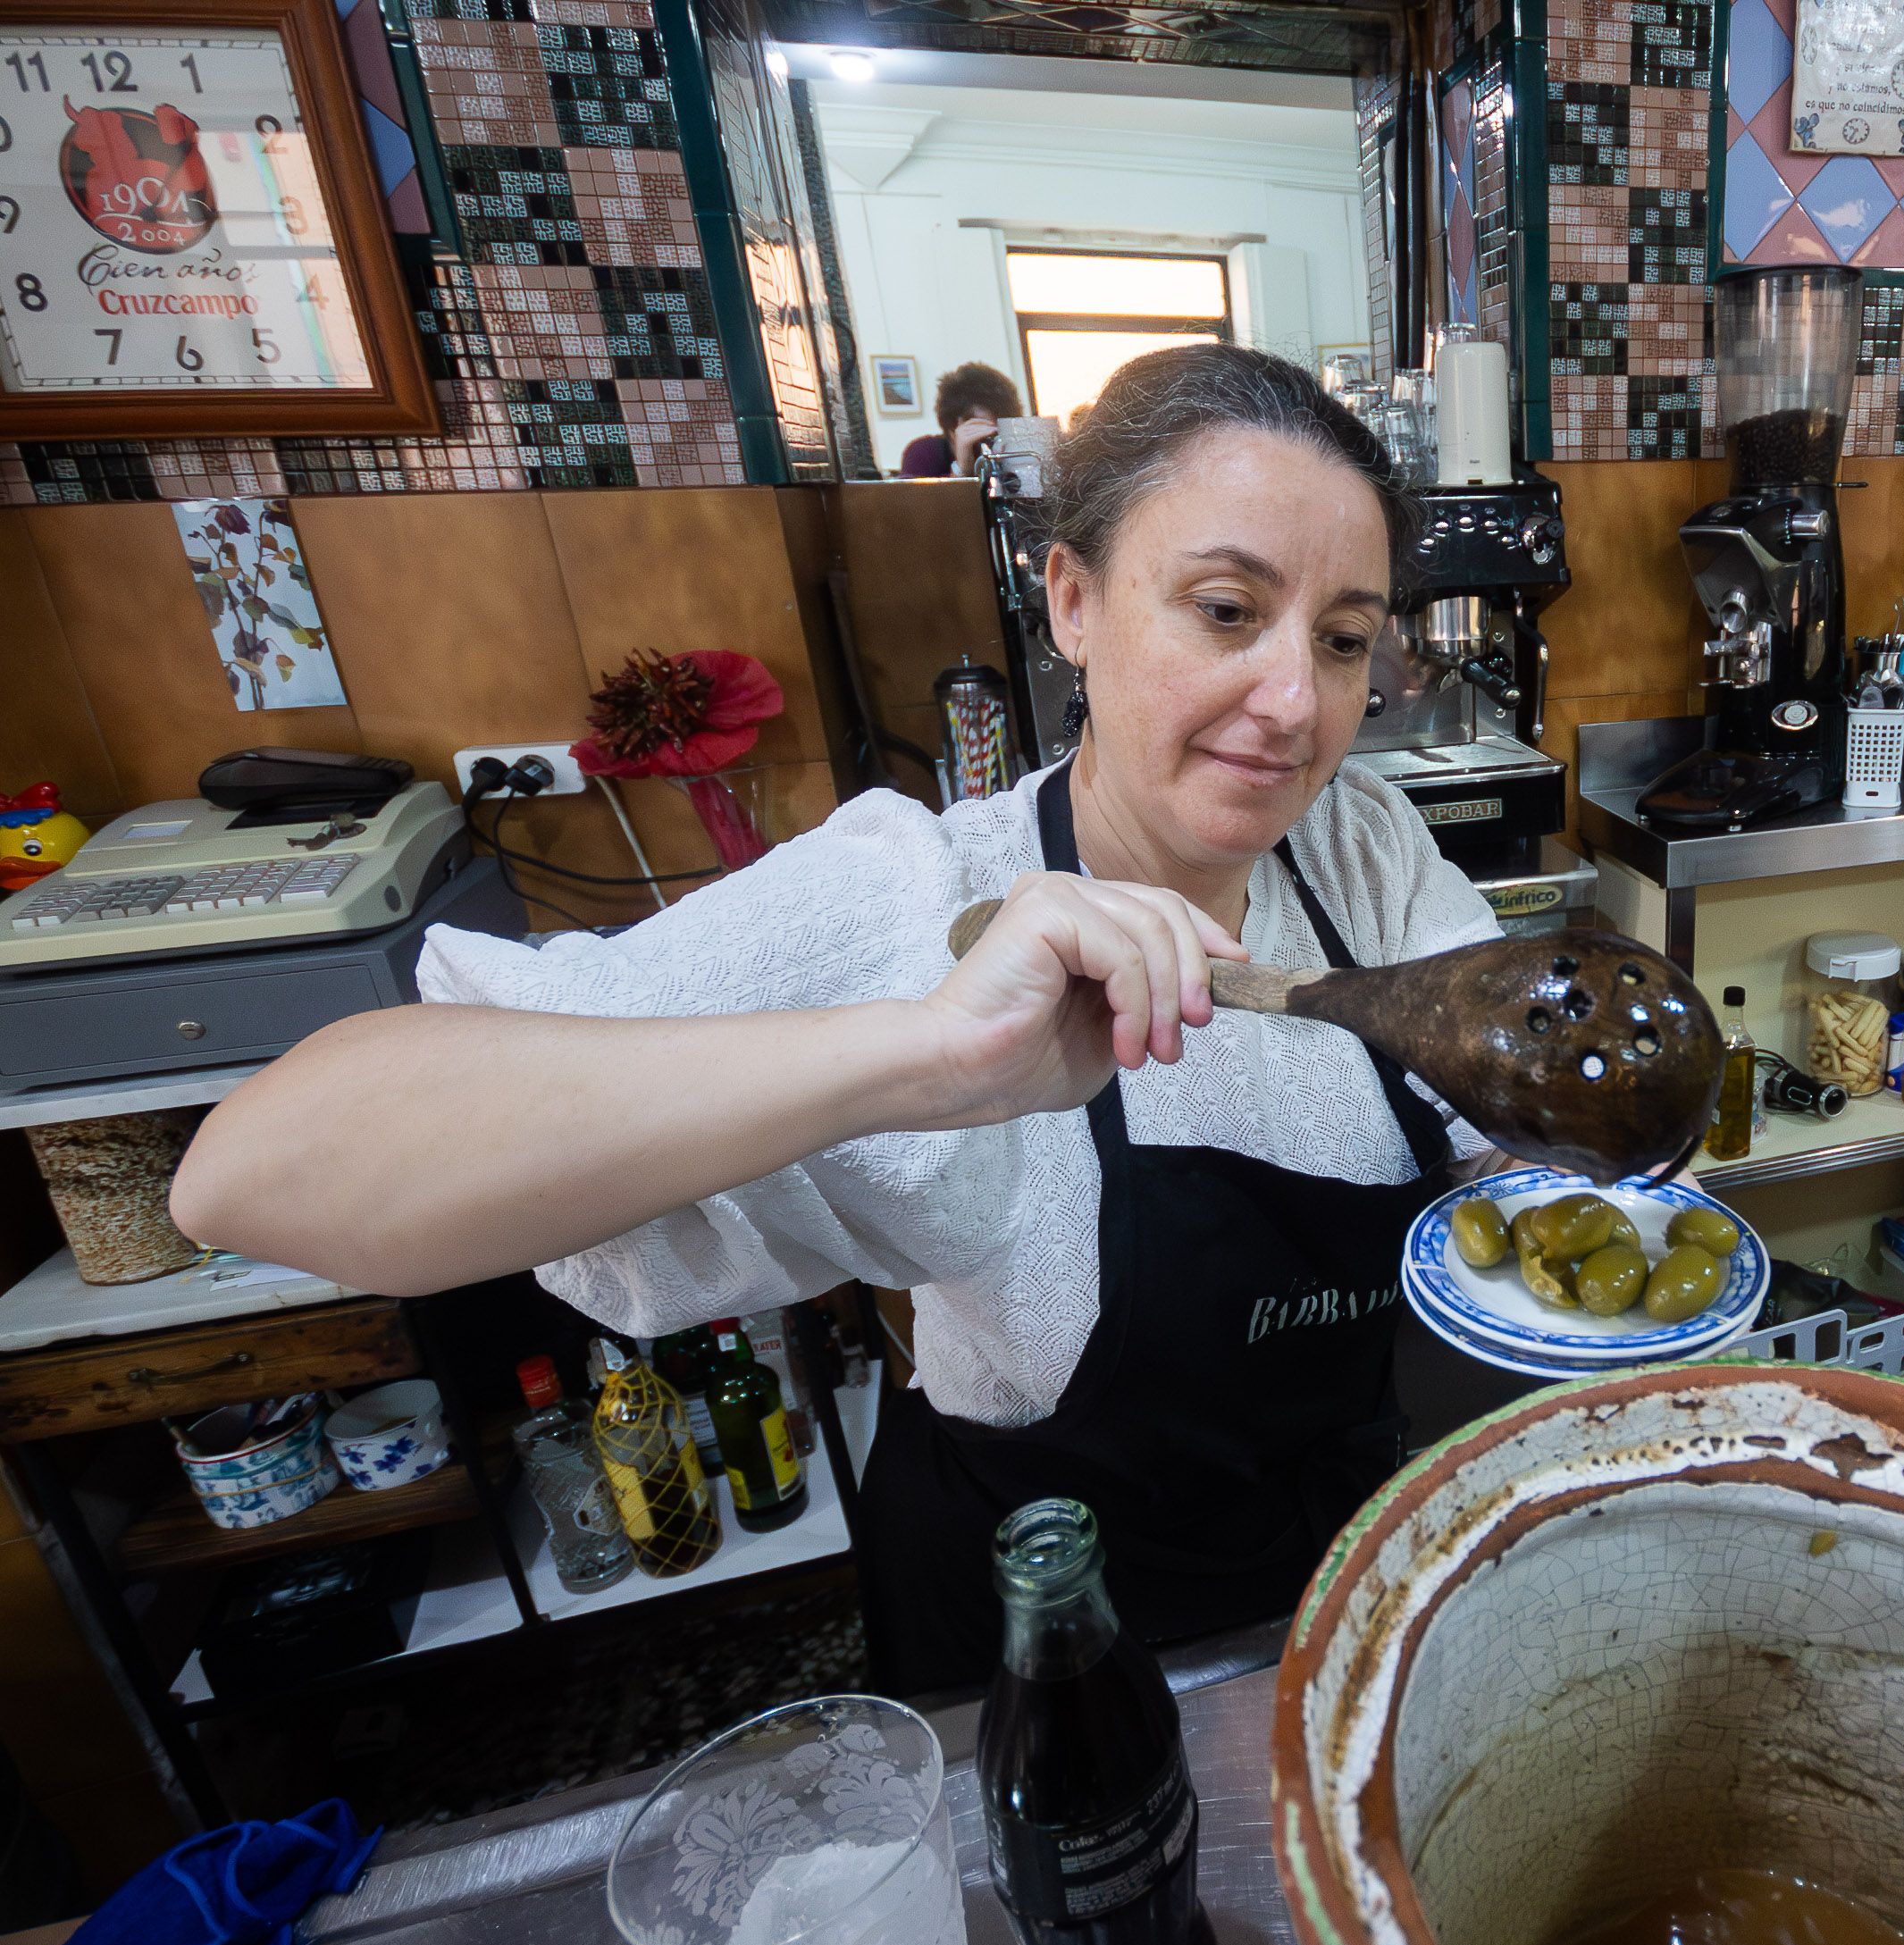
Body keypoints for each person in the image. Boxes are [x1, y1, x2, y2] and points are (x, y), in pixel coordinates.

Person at [171, 346, 1501, 1694]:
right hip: (1052, 1648)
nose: (1296, 705)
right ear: (1075, 601)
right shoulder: (912, 898)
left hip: (1329, 1607)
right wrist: (924, 1057)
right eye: (1227, 610)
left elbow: (1491, 1084)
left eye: (1342, 640)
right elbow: (251, 1173)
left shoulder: (1357, 851)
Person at [899, 362, 1021, 477]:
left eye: (997, 432)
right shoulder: (924, 453)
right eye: (981, 427)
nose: (992, 439)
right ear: (953, 428)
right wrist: (962, 471)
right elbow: (915, 500)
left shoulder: (1012, 453)